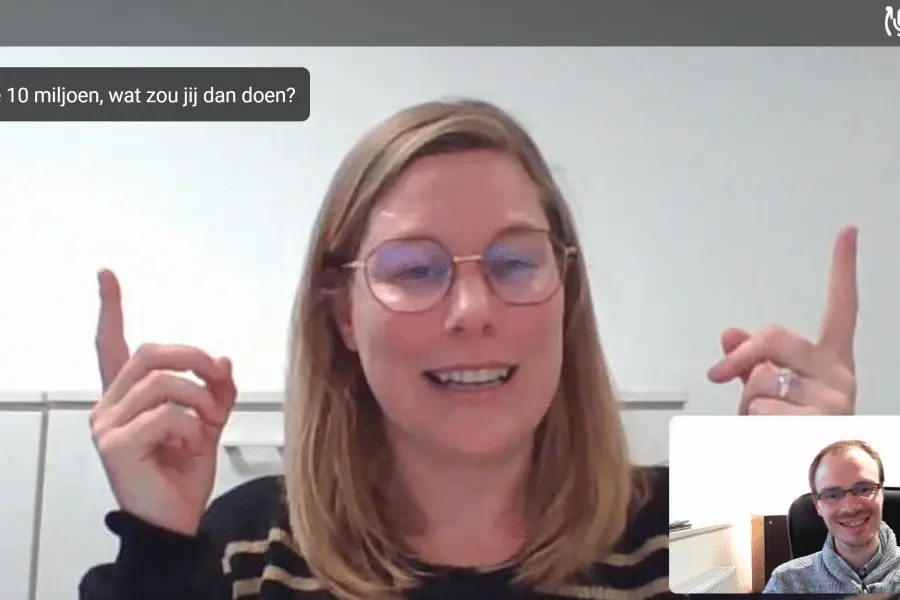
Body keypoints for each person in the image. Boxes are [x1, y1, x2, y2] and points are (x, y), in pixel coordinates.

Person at [78, 98, 859, 600]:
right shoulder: (249, 552)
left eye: (515, 262)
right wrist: (156, 550)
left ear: (566, 293)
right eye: (414, 270)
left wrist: (809, 513)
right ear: (343, 315)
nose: (473, 311)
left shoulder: (698, 538)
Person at [765, 440, 900, 594]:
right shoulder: (785, 583)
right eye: (832, 495)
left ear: (881, 493)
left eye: (864, 489)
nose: (851, 508)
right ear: (817, 505)